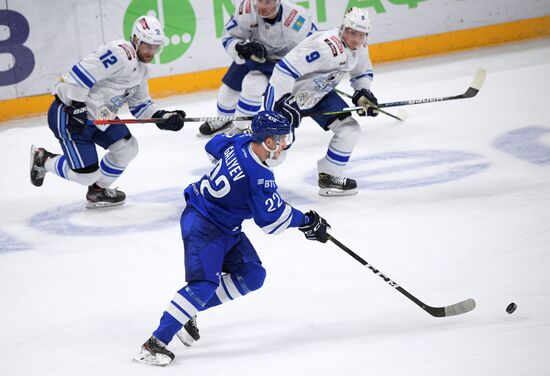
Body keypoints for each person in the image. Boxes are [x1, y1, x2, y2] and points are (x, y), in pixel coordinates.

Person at [134, 111, 331, 366]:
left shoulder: (241, 142)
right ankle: (154, 344)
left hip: (225, 226)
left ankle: (187, 311)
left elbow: (211, 147)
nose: (285, 145)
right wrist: (307, 222)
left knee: (252, 274)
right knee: (203, 285)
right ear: (268, 142)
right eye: (281, 139)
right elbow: (272, 220)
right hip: (203, 225)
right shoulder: (259, 178)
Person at [30, 15, 186, 208]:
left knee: (128, 148)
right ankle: (43, 160)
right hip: (69, 114)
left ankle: (98, 192)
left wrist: (163, 117)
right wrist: (77, 106)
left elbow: (140, 106)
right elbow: (80, 73)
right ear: (136, 39)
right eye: (148, 45)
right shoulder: (120, 53)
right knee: (85, 176)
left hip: (100, 117)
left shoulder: (142, 70)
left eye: (155, 47)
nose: (151, 51)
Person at [265, 7, 379, 197]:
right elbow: (283, 70)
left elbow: (361, 72)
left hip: (319, 94)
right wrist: (282, 100)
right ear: (343, 28)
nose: (355, 39)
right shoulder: (326, 47)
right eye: (351, 32)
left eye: (361, 35)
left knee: (349, 129)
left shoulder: (360, 47)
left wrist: (363, 92)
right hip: (288, 95)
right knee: (276, 148)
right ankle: (249, 183)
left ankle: (329, 177)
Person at [198, 0, 316, 136]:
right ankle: (224, 119)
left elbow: (310, 47)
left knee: (253, 85)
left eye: (267, 2)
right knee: (227, 92)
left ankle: (241, 127)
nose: (262, 7)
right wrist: (241, 47)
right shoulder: (247, 9)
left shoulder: (296, 17)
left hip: (284, 63)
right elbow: (229, 36)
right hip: (255, 56)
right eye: (259, 0)